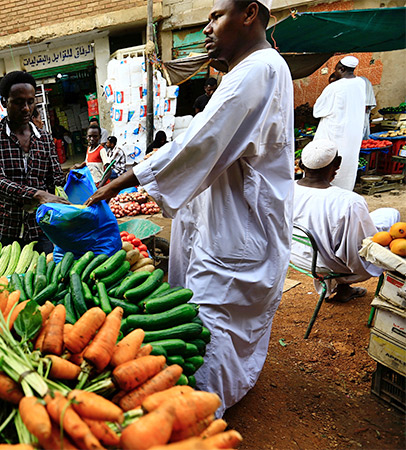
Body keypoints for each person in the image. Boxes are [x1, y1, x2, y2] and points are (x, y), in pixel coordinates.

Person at [85, 0, 293, 416]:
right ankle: (213, 401)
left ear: (250, 13)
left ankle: (199, 419)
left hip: (236, 231)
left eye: (216, 17)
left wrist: (121, 182)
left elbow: (198, 144)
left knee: (213, 329)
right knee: (221, 326)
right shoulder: (259, 70)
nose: (206, 29)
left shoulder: (257, 71)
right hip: (229, 224)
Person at [291, 140, 398, 303]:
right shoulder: (349, 201)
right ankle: (348, 285)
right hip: (328, 264)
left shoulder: (286, 189)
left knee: (381, 217)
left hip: (296, 255)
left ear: (301, 164)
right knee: (392, 216)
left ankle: (344, 289)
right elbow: (358, 249)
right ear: (338, 164)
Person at [0, 70, 67, 254]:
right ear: (4, 102)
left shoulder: (44, 138)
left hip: (41, 227)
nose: (26, 108)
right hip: (8, 229)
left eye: (30, 101)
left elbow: (54, 180)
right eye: (18, 102)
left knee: (46, 276)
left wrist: (73, 178)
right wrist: (37, 194)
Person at [312, 55, 366, 191]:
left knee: (330, 163)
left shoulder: (334, 87)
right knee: (347, 165)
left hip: (335, 133)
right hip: (352, 134)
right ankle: (345, 191)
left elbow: (317, 111)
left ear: (341, 69)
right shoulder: (360, 83)